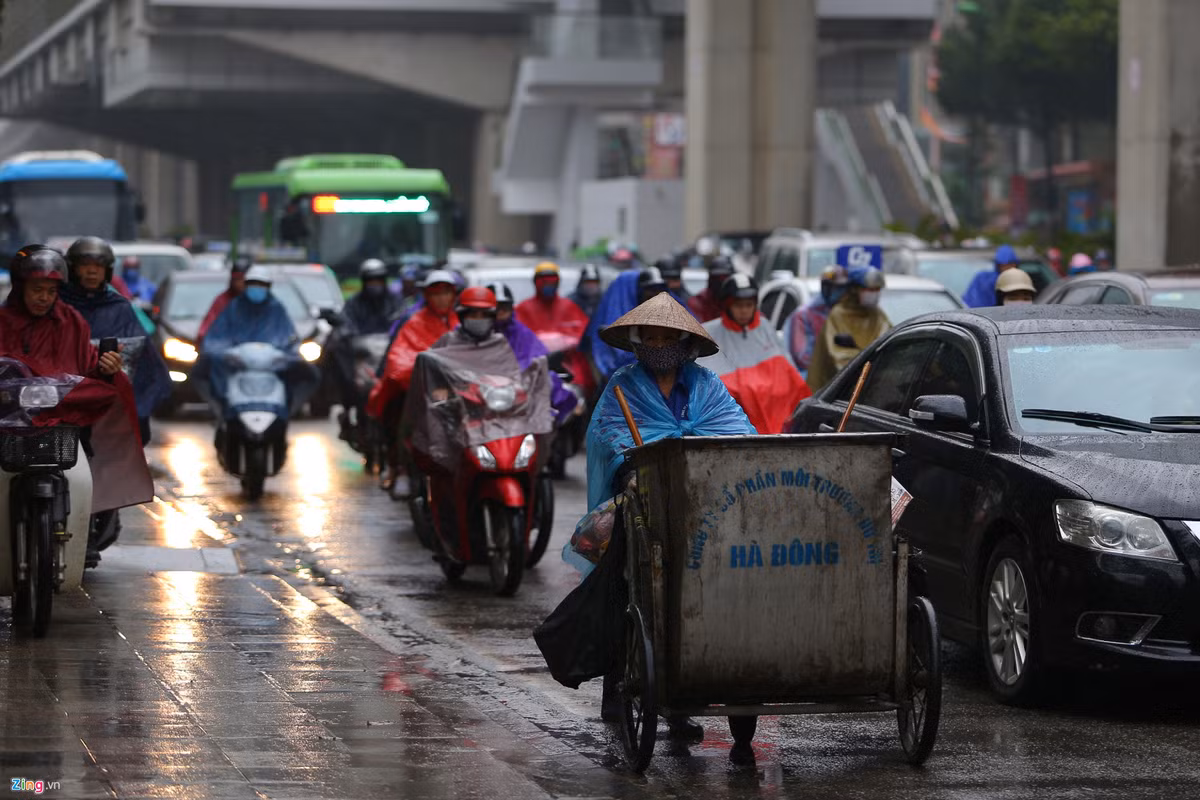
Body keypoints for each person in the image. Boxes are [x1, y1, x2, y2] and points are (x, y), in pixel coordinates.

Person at [583, 291, 755, 741]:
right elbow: (609, 437)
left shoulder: (708, 387)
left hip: (703, 509)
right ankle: (618, 691)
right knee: (630, 590)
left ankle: (681, 705)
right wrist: (634, 469)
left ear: (684, 343)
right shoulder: (622, 386)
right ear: (639, 343)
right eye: (651, 338)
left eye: (667, 338)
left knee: (697, 599)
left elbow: (737, 431)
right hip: (642, 503)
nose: (659, 346)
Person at [0, 246, 153, 566]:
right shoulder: (3, 321)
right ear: (21, 288)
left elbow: (85, 369)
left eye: (51, 291)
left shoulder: (72, 322)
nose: (44, 298)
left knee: (86, 471)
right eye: (37, 290)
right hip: (11, 426)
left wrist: (106, 368)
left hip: (63, 424)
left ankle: (84, 537)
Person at [60, 236, 173, 443]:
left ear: (108, 270)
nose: (92, 271)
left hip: (110, 400)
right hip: (65, 398)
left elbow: (144, 358)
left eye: (98, 266)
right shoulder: (58, 305)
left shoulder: (119, 307)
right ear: (73, 269)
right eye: (85, 265)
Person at [368, 270, 460, 492]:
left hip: (458, 389)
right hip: (420, 388)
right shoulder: (413, 323)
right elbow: (399, 357)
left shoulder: (462, 322)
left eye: (446, 293)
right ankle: (399, 467)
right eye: (436, 293)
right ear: (427, 296)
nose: (442, 298)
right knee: (398, 412)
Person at [698, 274, 811, 433]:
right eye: (738, 305)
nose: (744, 311)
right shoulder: (709, 332)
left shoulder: (764, 327)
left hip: (778, 420)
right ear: (728, 305)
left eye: (748, 305)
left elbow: (791, 376)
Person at [200, 266, 313, 416]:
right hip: (237, 366)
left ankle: (288, 410)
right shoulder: (233, 308)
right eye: (253, 284)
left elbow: (289, 338)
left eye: (261, 285)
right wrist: (227, 354)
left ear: (268, 287)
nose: (257, 288)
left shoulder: (277, 309)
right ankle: (221, 410)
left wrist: (286, 356)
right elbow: (216, 338)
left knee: (310, 373)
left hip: (270, 367)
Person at [806, 265, 891, 391]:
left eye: (877, 289)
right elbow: (840, 358)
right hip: (836, 390)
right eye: (870, 290)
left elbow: (891, 341)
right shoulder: (839, 314)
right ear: (855, 289)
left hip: (872, 386)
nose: (875, 294)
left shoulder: (877, 314)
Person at [783, 265, 848, 376]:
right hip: (812, 385)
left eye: (842, 288)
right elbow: (802, 358)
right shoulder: (804, 315)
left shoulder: (848, 314)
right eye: (833, 288)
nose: (839, 293)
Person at [198, 255, 253, 342]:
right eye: (236, 279)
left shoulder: (259, 301)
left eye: (242, 279)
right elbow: (208, 326)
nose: (239, 283)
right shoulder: (222, 301)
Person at [687, 256, 736, 322]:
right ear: (710, 279)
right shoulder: (698, 303)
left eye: (724, 278)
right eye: (716, 278)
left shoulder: (738, 302)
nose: (721, 282)